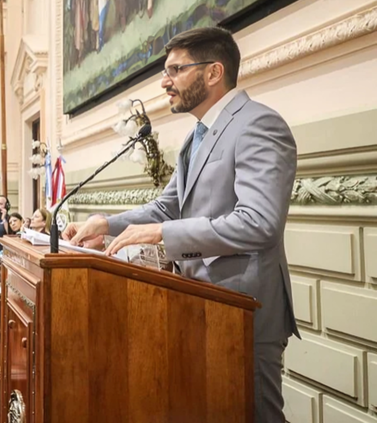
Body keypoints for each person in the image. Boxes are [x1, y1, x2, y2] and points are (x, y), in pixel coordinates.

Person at [65, 27, 298, 423]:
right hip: (200, 305)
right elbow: (168, 207)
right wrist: (105, 224)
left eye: (176, 70)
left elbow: (259, 223)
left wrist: (164, 234)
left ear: (213, 72)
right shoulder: (197, 136)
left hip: (245, 309)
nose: (165, 81)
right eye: (166, 71)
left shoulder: (258, 123)